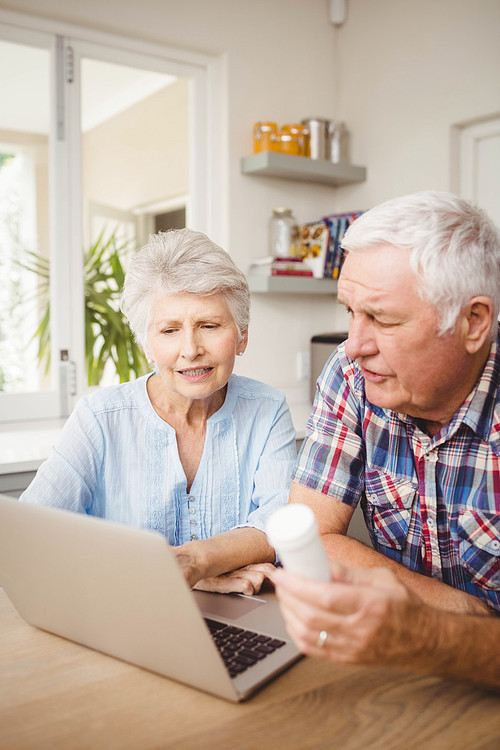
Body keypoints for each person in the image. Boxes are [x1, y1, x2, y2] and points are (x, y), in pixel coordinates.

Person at [270, 190, 500, 690]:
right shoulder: (354, 376)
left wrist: (432, 634)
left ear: (473, 322)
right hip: (402, 678)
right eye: (350, 311)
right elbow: (315, 536)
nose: (354, 345)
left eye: (384, 319)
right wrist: (453, 609)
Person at [20, 228, 296, 594]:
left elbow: (279, 524)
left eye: (209, 326)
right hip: (124, 609)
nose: (191, 349)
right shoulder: (99, 419)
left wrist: (196, 562)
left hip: (242, 615)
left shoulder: (268, 410)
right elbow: (32, 531)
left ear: (242, 335)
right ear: (146, 343)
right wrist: (202, 576)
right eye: (169, 330)